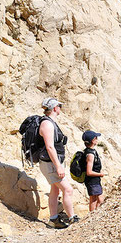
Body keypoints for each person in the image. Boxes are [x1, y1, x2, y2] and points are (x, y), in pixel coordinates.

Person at [39, 97, 78, 228]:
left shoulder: (50, 122)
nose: (60, 108)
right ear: (55, 108)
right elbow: (50, 147)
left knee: (55, 190)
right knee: (68, 190)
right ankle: (72, 218)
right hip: (51, 164)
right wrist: (58, 166)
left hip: (53, 163)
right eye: (59, 106)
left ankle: (53, 219)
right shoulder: (47, 124)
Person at [82, 130, 105, 211]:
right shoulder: (90, 155)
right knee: (95, 200)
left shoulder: (89, 151)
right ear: (93, 140)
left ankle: (96, 216)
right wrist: (100, 174)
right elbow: (89, 172)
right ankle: (93, 217)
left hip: (94, 181)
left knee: (98, 199)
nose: (97, 139)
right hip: (92, 181)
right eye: (96, 138)